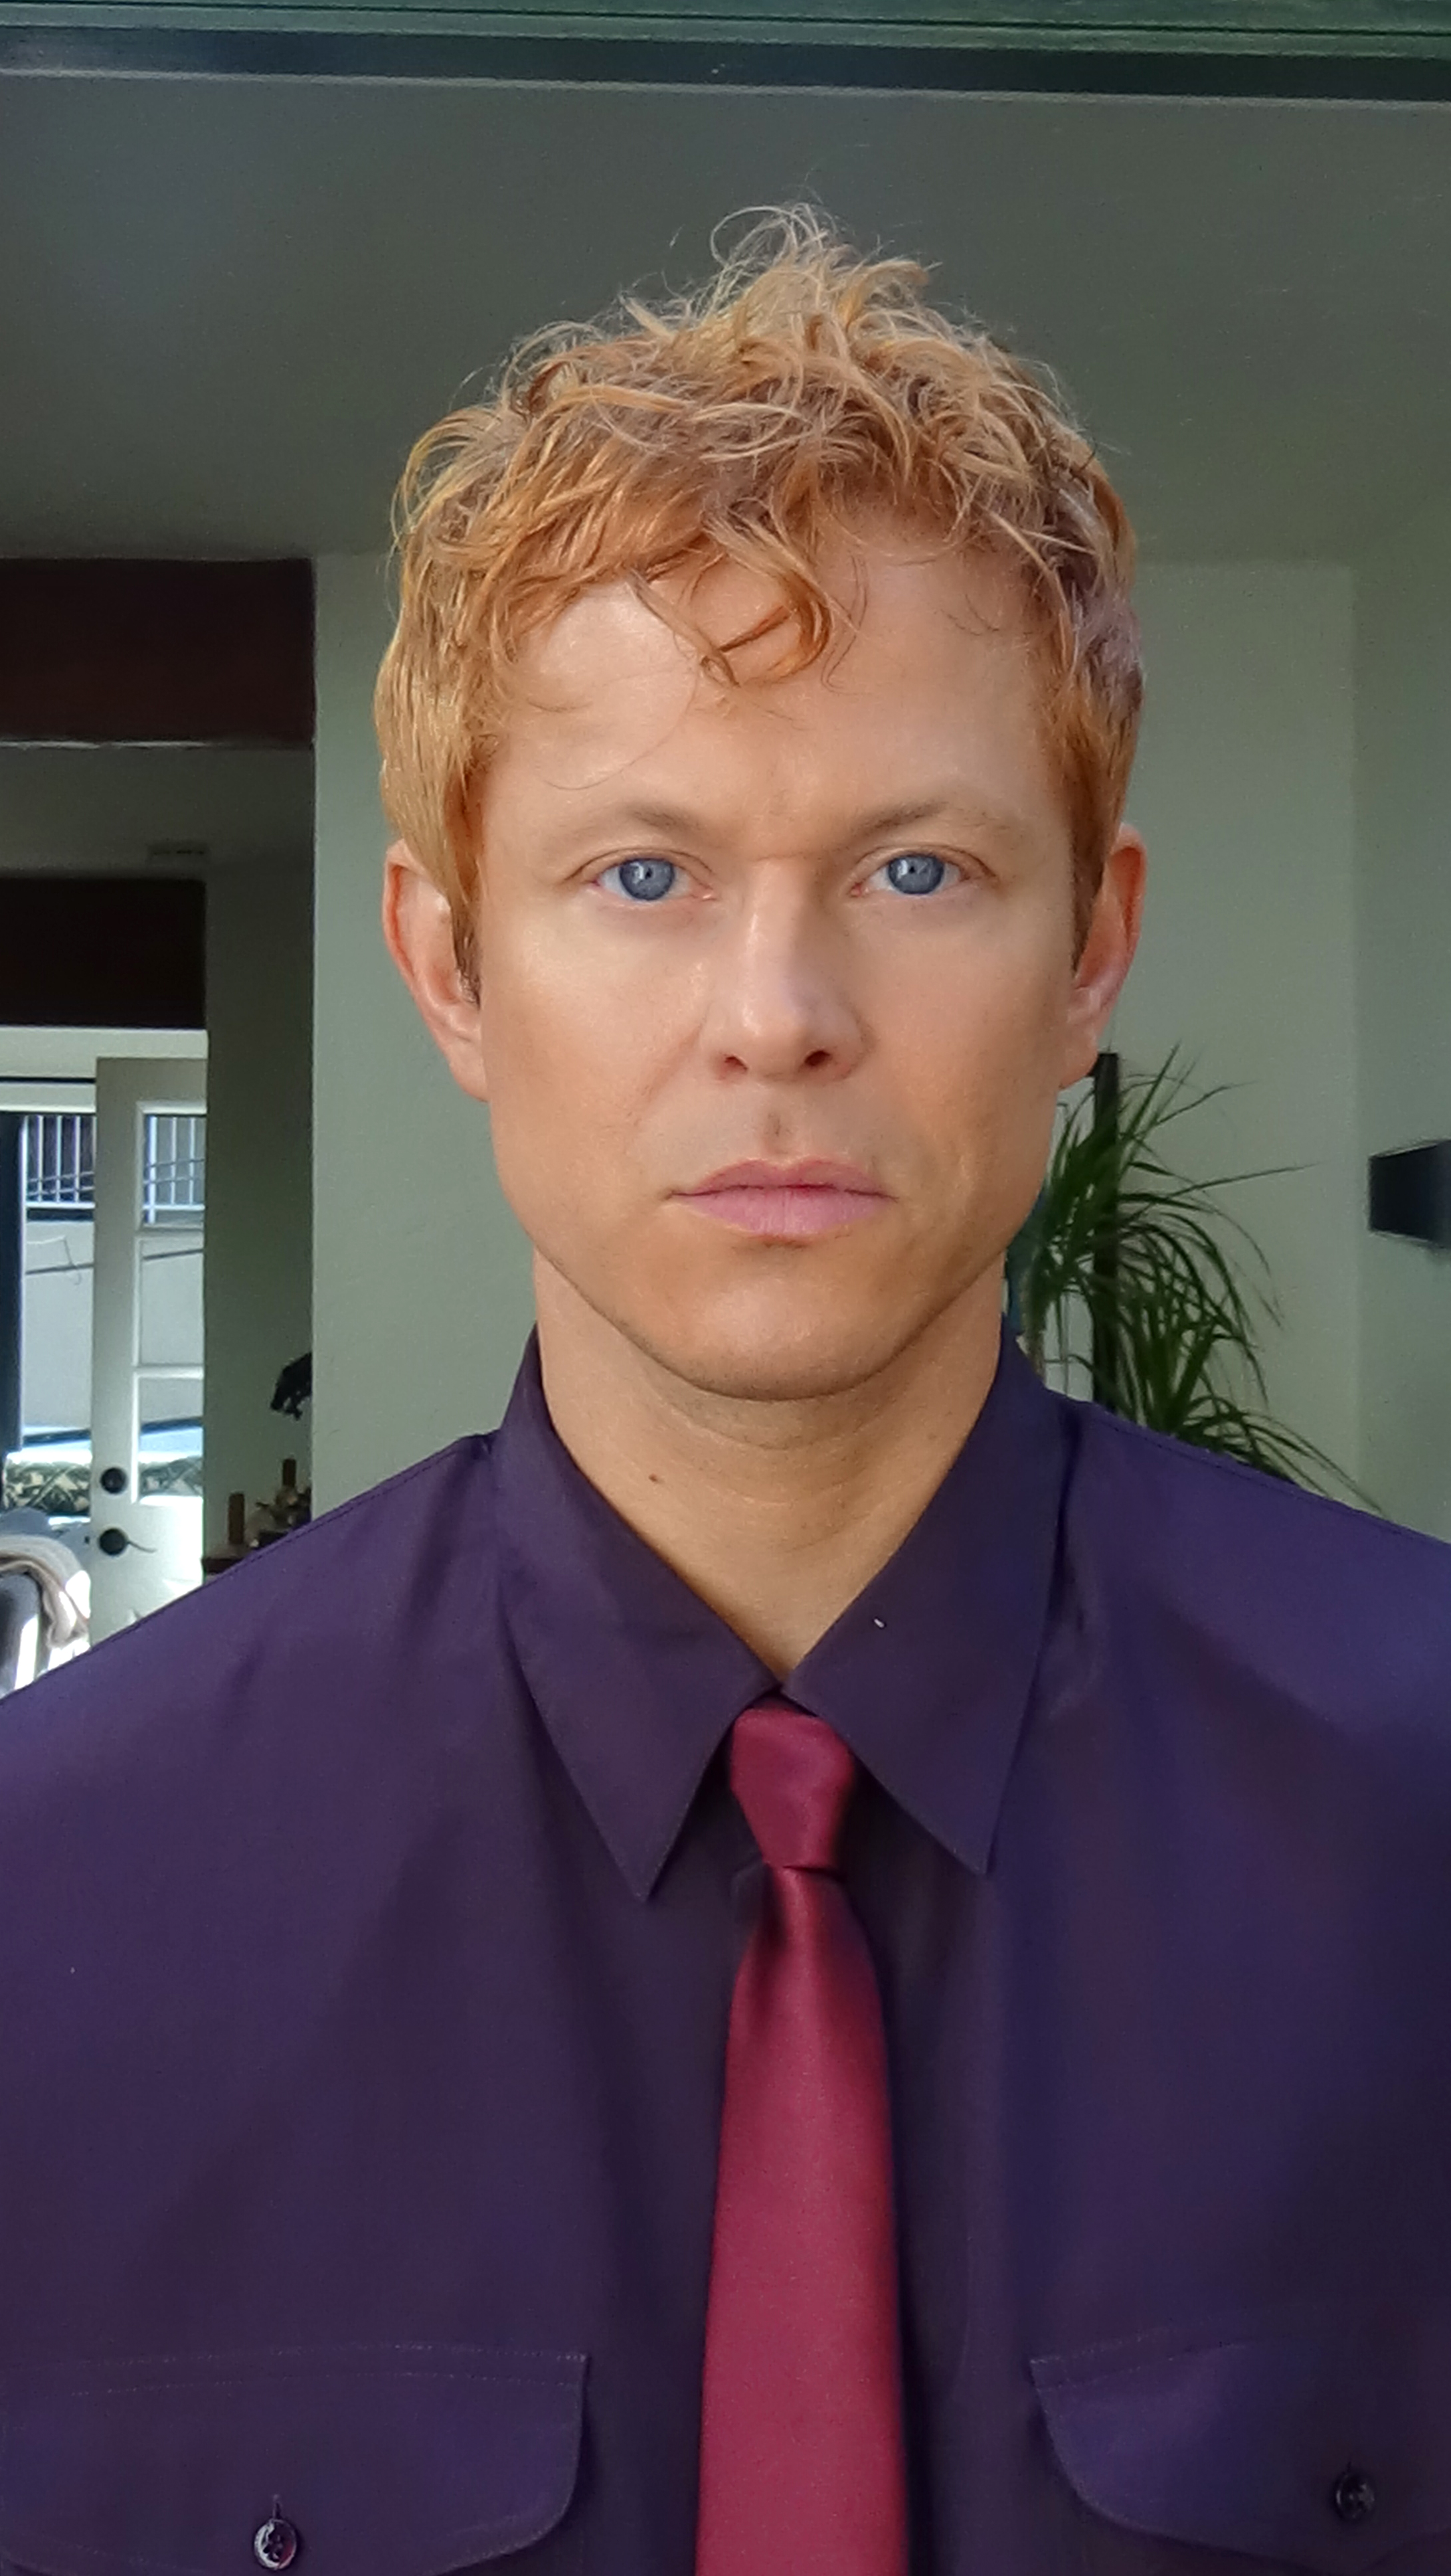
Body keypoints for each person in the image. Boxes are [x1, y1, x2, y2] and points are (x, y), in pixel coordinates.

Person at [2, 208, 1450, 2576]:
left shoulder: (1428, 1822)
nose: (775, 1011)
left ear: (1089, 952)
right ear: (450, 967)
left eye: (912, 865)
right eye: (645, 875)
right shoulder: (41, 1906)